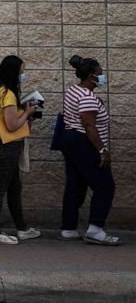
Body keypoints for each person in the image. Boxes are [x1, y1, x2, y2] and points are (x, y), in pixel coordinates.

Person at [61, 55, 120, 245]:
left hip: (70, 140)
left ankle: (68, 228)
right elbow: (89, 126)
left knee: (76, 184)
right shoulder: (87, 97)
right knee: (105, 185)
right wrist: (102, 149)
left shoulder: (74, 90)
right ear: (90, 77)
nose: (103, 76)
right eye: (100, 74)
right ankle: (95, 229)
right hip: (84, 142)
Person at [0, 55, 41, 245]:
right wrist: (27, 112)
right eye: (21, 70)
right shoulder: (7, 94)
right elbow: (12, 125)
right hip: (6, 145)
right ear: (13, 72)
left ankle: (22, 227)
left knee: (14, 187)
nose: (23, 74)